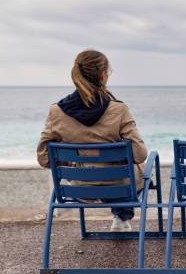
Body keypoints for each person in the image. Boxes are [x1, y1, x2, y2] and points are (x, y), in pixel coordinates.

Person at [36, 50, 147, 231]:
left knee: (121, 170)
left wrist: (72, 162)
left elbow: (44, 158)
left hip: (80, 186)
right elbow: (140, 154)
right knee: (139, 169)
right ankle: (121, 217)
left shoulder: (56, 112)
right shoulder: (119, 110)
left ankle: (120, 216)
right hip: (118, 186)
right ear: (103, 75)